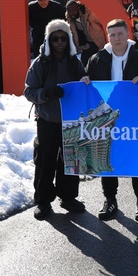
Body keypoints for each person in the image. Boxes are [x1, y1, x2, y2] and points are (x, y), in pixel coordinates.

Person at [84, 18, 138, 222]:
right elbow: (87, 83)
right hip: (107, 120)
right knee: (107, 158)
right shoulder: (97, 59)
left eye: (120, 34)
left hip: (136, 120)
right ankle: (110, 200)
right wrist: (84, 81)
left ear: (128, 35)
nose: (116, 38)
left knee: (137, 160)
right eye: (112, 35)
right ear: (108, 37)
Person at [24, 19, 87, 218]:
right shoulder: (40, 63)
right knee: (45, 161)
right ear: (48, 40)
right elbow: (29, 91)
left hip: (71, 120)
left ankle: (68, 197)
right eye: (55, 38)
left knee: (71, 160)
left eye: (63, 38)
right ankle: (43, 201)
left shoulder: (74, 62)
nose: (59, 42)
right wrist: (47, 93)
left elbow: (84, 84)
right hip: (47, 119)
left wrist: (86, 81)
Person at [65, 0, 104, 65]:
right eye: (69, 11)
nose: (72, 13)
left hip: (99, 41)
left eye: (73, 10)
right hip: (87, 45)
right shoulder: (70, 22)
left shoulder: (89, 14)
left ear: (78, 8)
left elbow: (103, 24)